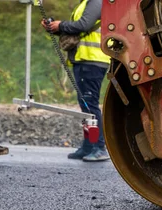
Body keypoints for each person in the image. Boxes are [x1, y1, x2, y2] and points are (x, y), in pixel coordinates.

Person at [43, 0, 111, 162]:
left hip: (92, 60)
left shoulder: (96, 2)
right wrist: (55, 28)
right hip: (84, 59)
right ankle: (88, 145)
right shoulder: (86, 3)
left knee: (90, 105)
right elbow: (78, 30)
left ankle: (98, 146)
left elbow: (83, 25)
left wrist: (60, 26)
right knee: (85, 105)